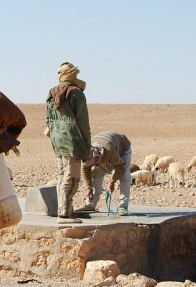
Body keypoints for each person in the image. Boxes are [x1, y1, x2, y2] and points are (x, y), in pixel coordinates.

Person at [45, 61, 91, 224]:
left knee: (62, 173)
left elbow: (48, 118)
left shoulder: (52, 92)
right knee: (72, 176)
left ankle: (65, 209)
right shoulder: (76, 93)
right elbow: (83, 122)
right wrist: (87, 144)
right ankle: (64, 212)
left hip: (57, 137)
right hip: (72, 138)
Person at [80, 131, 132, 216]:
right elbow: (85, 169)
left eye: (93, 164)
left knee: (124, 176)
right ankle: (90, 205)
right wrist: (88, 187)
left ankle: (123, 207)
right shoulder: (87, 155)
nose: (93, 166)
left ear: (97, 158)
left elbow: (121, 166)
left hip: (123, 149)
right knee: (95, 173)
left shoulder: (109, 151)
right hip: (105, 152)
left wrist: (113, 181)